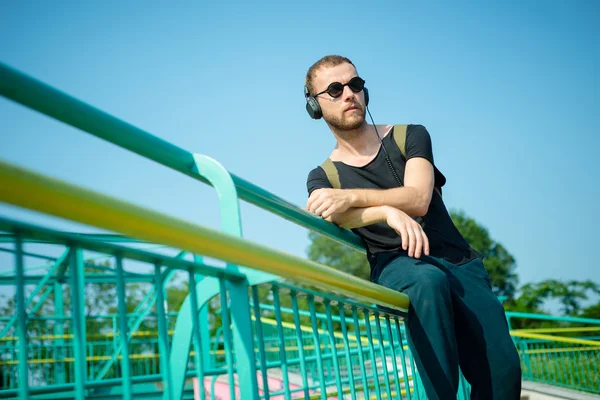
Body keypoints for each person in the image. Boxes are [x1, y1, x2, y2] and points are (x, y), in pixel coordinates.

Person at [304, 55, 522, 400]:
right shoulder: (323, 177)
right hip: (397, 265)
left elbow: (419, 198)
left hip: (458, 261)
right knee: (427, 280)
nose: (349, 94)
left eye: (355, 85)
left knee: (503, 372)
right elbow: (333, 213)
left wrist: (357, 199)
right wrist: (387, 213)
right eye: (335, 89)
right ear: (315, 106)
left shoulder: (410, 136)